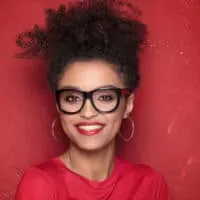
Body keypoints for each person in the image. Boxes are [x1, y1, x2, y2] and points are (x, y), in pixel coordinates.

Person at [15, 0, 170, 199]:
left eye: (105, 97)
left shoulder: (151, 184)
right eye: (72, 98)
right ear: (58, 105)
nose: (87, 112)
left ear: (128, 104)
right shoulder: (39, 184)